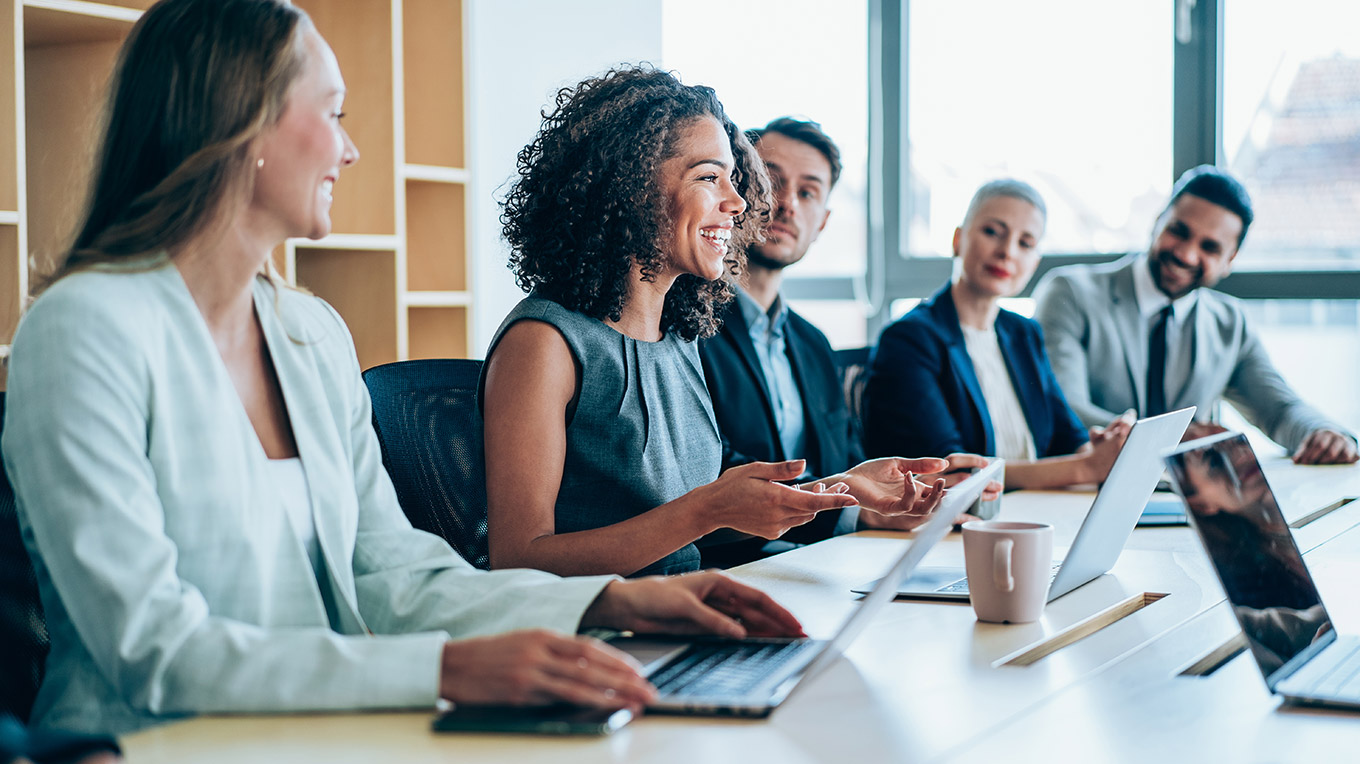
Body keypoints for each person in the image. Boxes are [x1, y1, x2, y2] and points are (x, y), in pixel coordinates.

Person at [1, 0, 807, 737]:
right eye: (333, 114)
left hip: (325, 731)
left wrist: (618, 599)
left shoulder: (307, 333)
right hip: (143, 743)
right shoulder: (83, 331)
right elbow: (152, 647)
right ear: (241, 127)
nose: (351, 150)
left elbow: (395, 573)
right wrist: (445, 668)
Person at [481, 69, 951, 579]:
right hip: (604, 639)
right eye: (710, 177)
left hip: (686, 609)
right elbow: (519, 560)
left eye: (732, 177)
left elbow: (697, 525)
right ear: (631, 184)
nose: (740, 202)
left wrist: (841, 488)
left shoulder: (679, 339)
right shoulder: (543, 342)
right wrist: (707, 510)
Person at [697, 117, 998, 566]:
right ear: (738, 194)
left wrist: (892, 499)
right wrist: (850, 508)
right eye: (771, 181)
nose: (787, 204)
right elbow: (706, 465)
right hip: (732, 565)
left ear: (823, 222)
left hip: (821, 559)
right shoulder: (688, 325)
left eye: (808, 192)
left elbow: (846, 461)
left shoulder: (813, 344)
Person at [1033, 165, 1357, 465]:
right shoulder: (1070, 293)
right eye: (1179, 231)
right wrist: (1173, 437)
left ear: (1230, 260)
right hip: (1080, 494)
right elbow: (1063, 409)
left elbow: (1280, 411)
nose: (1187, 254)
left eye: (1210, 247)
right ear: (1157, 221)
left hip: (1189, 505)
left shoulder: (1230, 323)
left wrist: (1326, 434)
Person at [863, 180, 1132, 490]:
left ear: (1035, 262)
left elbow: (1069, 437)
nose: (1007, 252)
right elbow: (953, 472)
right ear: (958, 239)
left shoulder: (1024, 333)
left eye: (1025, 243)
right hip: (955, 523)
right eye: (992, 232)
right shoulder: (909, 338)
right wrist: (1086, 468)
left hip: (1036, 511)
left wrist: (1104, 451)